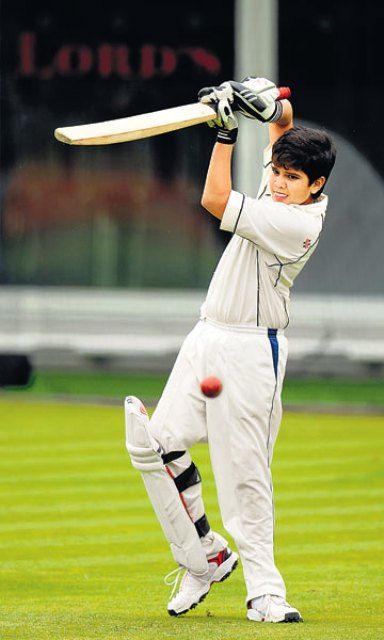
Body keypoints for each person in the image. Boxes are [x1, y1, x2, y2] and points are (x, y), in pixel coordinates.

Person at [125, 77, 336, 623]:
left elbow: (214, 198)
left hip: (251, 352)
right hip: (208, 335)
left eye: (294, 178)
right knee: (156, 446)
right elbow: (283, 126)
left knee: (245, 479)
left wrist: (224, 133)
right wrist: (267, 105)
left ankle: (266, 592)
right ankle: (206, 556)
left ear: (316, 186)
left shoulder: (296, 222)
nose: (281, 183)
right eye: (278, 173)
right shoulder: (278, 187)